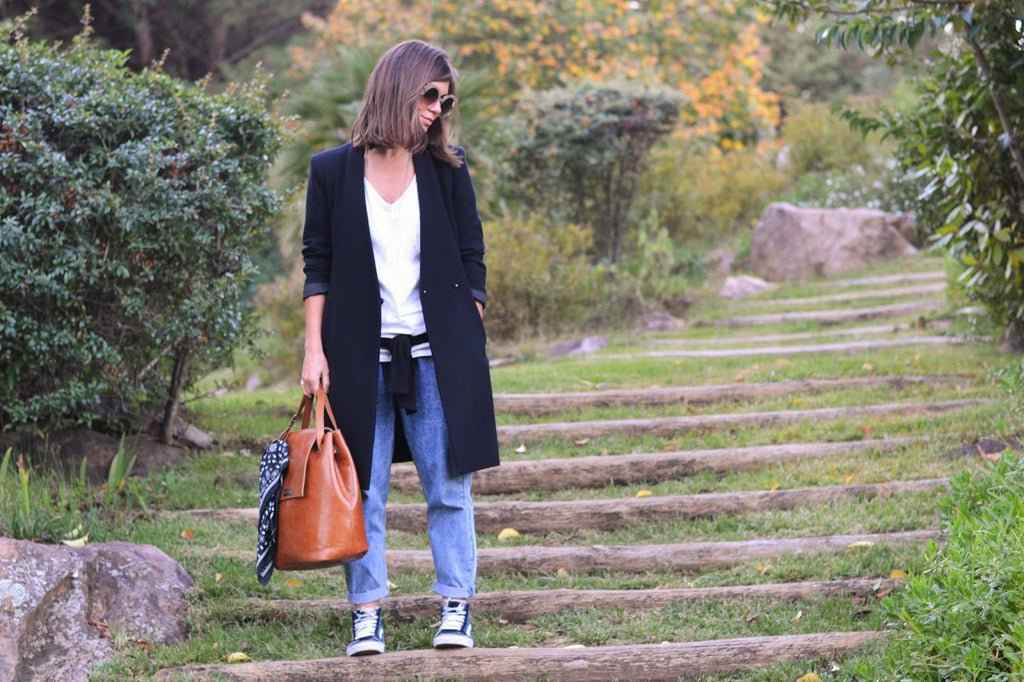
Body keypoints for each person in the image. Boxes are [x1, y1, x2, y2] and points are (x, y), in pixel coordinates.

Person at [298, 39, 500, 657]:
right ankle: (366, 613)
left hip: (438, 355)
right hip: (359, 356)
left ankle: (456, 606)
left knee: (448, 484)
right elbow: (318, 265)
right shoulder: (332, 171)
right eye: (430, 94)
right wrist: (314, 350)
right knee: (364, 491)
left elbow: (473, 256)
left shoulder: (447, 170)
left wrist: (465, 319)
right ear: (398, 88)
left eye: (446, 99)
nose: (439, 108)